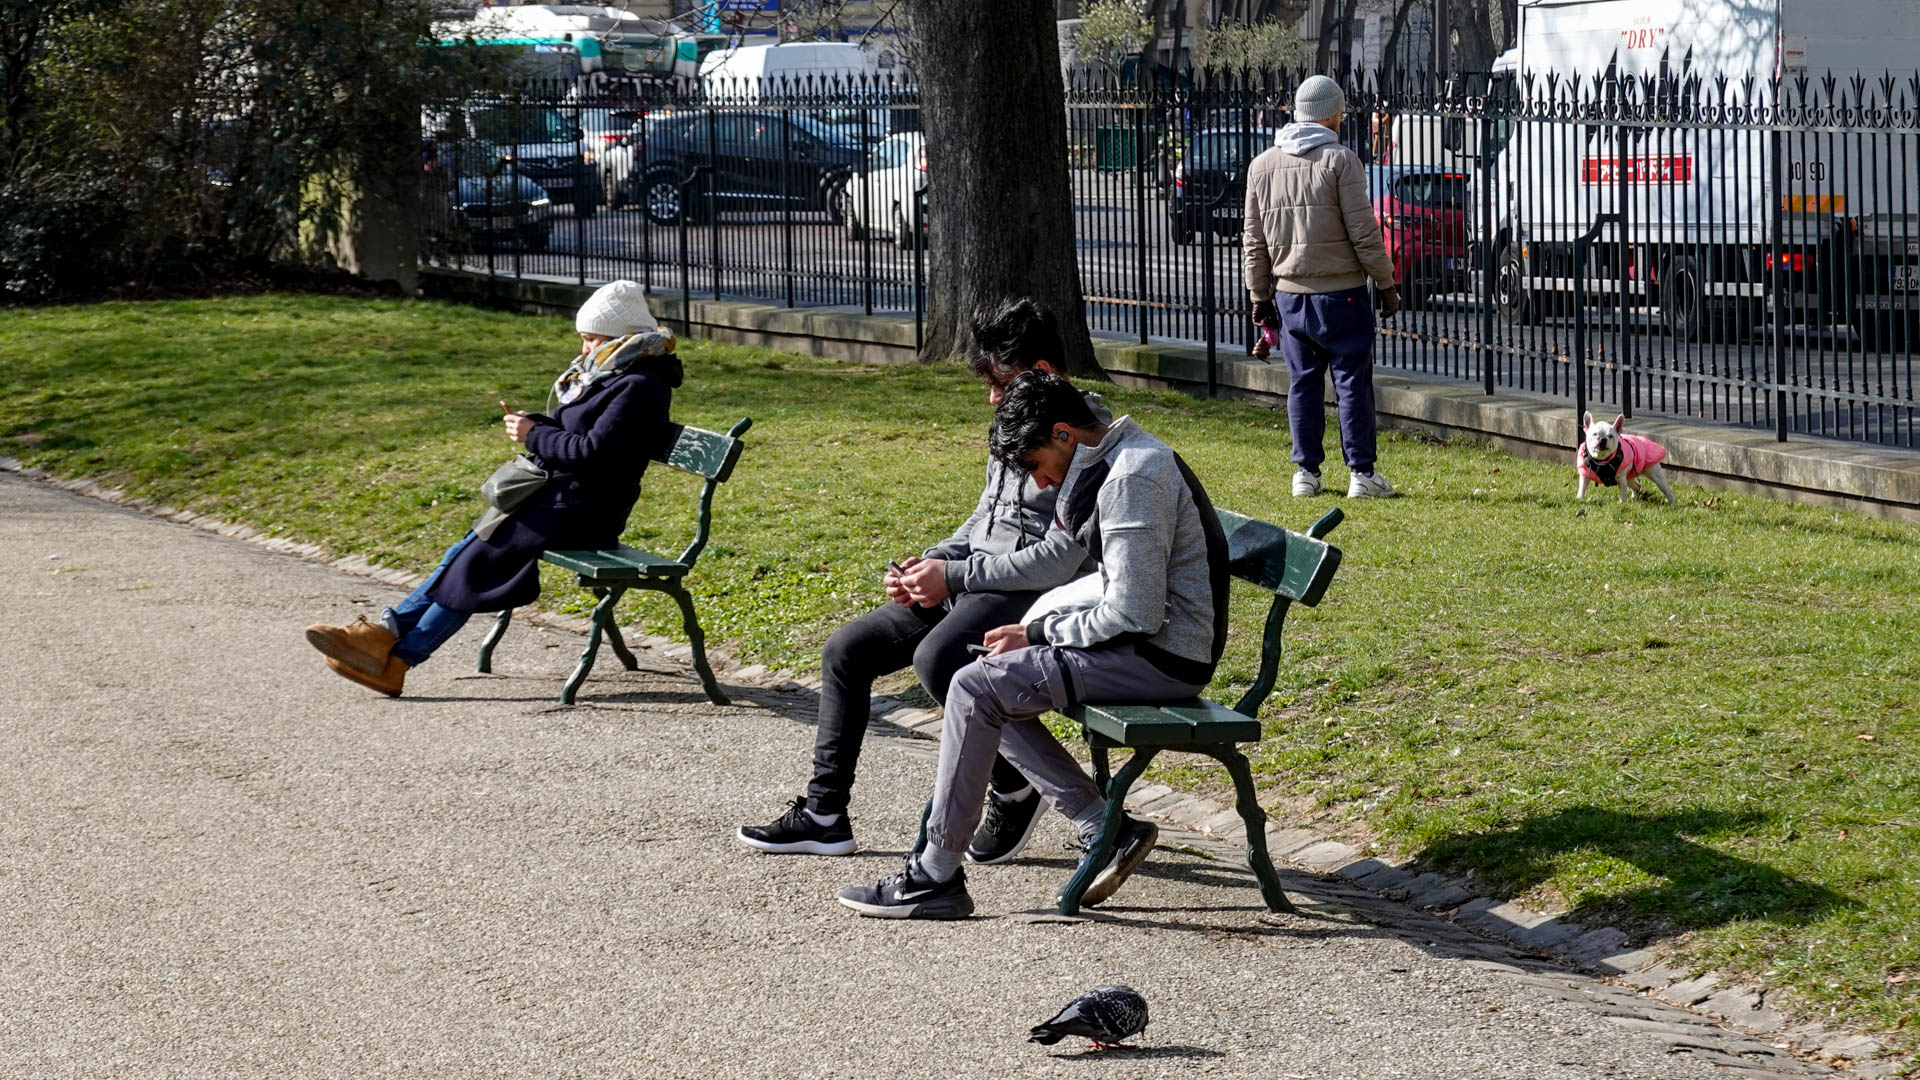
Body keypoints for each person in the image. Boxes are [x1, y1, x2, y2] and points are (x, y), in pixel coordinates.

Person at [836, 371, 1230, 920]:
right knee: (981, 677)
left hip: (1163, 657)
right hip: (1140, 644)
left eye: (1036, 463)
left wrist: (1040, 632)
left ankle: (935, 874)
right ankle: (1102, 826)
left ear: (1064, 433)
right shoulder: (1103, 464)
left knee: (974, 688)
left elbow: (1133, 612)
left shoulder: (1133, 475)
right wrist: (1031, 631)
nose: (1040, 481)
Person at [737, 298, 1108, 866]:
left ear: (1042, 371)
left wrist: (952, 575)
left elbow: (1061, 559)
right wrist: (930, 564)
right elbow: (986, 516)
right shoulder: (1016, 419)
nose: (992, 397)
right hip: (974, 579)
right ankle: (824, 815)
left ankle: (1015, 786)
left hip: (1032, 595)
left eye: (1000, 382)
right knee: (846, 651)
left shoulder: (1080, 436)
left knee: (939, 658)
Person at [303, 280, 681, 696]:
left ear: (623, 336)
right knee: (471, 545)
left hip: (588, 511)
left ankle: (396, 659)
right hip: (559, 499)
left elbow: (594, 453)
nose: (585, 348)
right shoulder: (612, 373)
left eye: (592, 339)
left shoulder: (641, 385)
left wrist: (534, 435)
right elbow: (579, 434)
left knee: (479, 559)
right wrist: (537, 423)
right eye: (584, 338)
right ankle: (382, 637)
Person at [1243, 74, 1400, 500]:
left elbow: (1254, 242)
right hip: (1342, 292)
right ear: (1333, 115)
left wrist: (1259, 296)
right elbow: (1364, 233)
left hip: (1289, 295)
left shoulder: (1262, 166)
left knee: (1303, 384)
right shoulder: (1341, 161)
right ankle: (1361, 473)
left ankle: (1305, 472)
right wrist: (1385, 282)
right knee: (1352, 382)